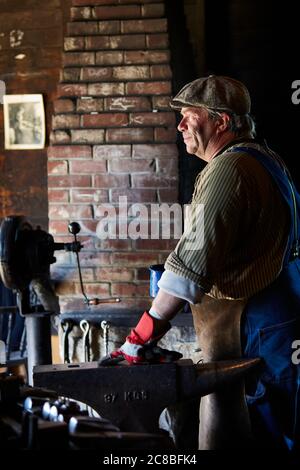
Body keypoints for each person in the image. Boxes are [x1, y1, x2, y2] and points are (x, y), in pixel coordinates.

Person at [100, 75, 300, 450]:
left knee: (261, 434)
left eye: (190, 116)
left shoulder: (230, 169)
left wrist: (139, 338)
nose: (180, 126)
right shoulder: (266, 158)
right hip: (277, 318)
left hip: (257, 327)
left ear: (221, 121)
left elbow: (188, 267)